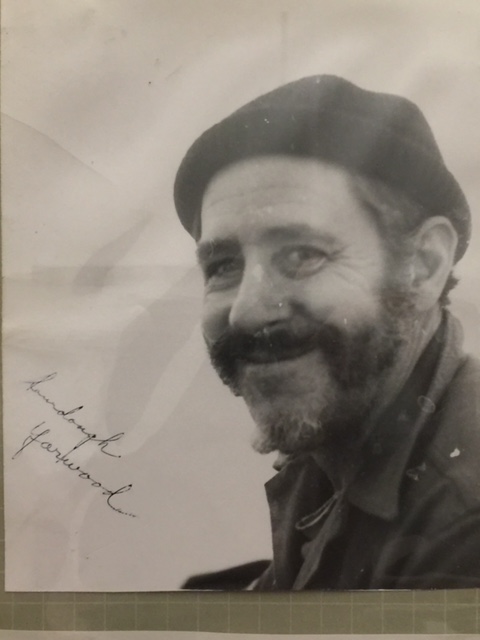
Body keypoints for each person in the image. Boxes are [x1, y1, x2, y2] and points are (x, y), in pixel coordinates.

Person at [173, 75, 480, 590]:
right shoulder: (345, 425)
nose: (247, 312)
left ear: (424, 265)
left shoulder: (463, 524)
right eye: (223, 266)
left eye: (302, 255)